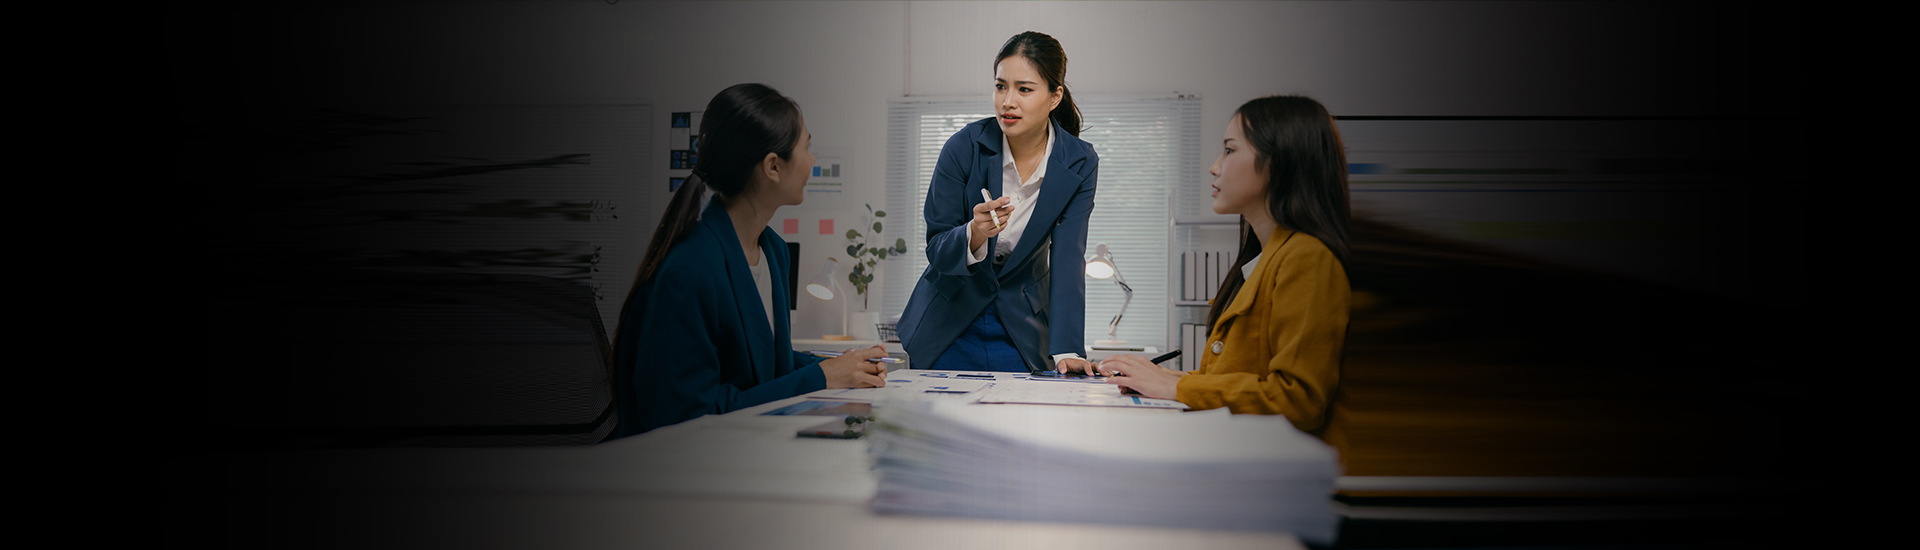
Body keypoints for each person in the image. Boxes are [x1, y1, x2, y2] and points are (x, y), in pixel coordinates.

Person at [613, 83, 888, 438]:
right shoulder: (689, 271)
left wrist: (844, 367)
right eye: (806, 147)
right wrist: (820, 377)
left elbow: (768, 362)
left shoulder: (773, 251)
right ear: (773, 167)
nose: (812, 160)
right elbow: (684, 419)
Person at [1097, 95, 1353, 434]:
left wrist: (1175, 386)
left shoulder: (1308, 258)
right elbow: (1236, 377)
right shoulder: (1265, 259)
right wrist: (1159, 377)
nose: (1214, 167)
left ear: (1278, 162)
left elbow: (1297, 399)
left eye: (1230, 150)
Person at [896, 31, 1099, 375]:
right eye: (1001, 86)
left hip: (1021, 329)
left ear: (1055, 97)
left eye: (1024, 89)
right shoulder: (963, 147)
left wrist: (1067, 349)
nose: (1008, 101)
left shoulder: (1079, 161)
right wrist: (975, 232)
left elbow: (1068, 256)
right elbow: (937, 248)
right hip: (948, 325)